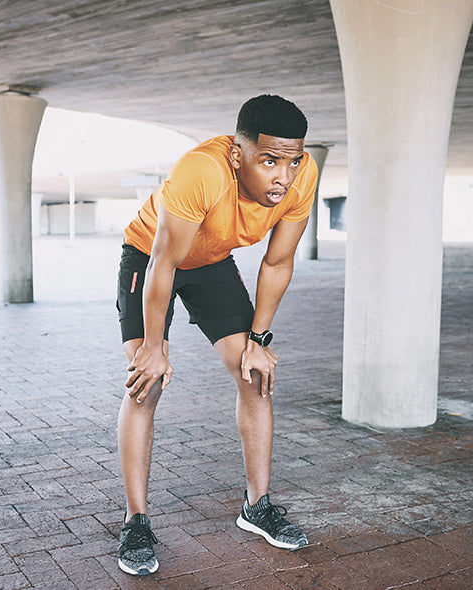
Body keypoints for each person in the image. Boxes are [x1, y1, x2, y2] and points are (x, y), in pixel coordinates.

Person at [115, 94, 318, 576]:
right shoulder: (202, 171)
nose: (283, 177)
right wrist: (153, 348)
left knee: (254, 376)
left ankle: (258, 506)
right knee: (146, 385)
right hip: (151, 257)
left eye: (291, 161)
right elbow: (164, 262)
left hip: (210, 263)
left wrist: (259, 341)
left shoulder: (302, 176)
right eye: (269, 160)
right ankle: (136, 520)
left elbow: (278, 261)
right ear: (237, 154)